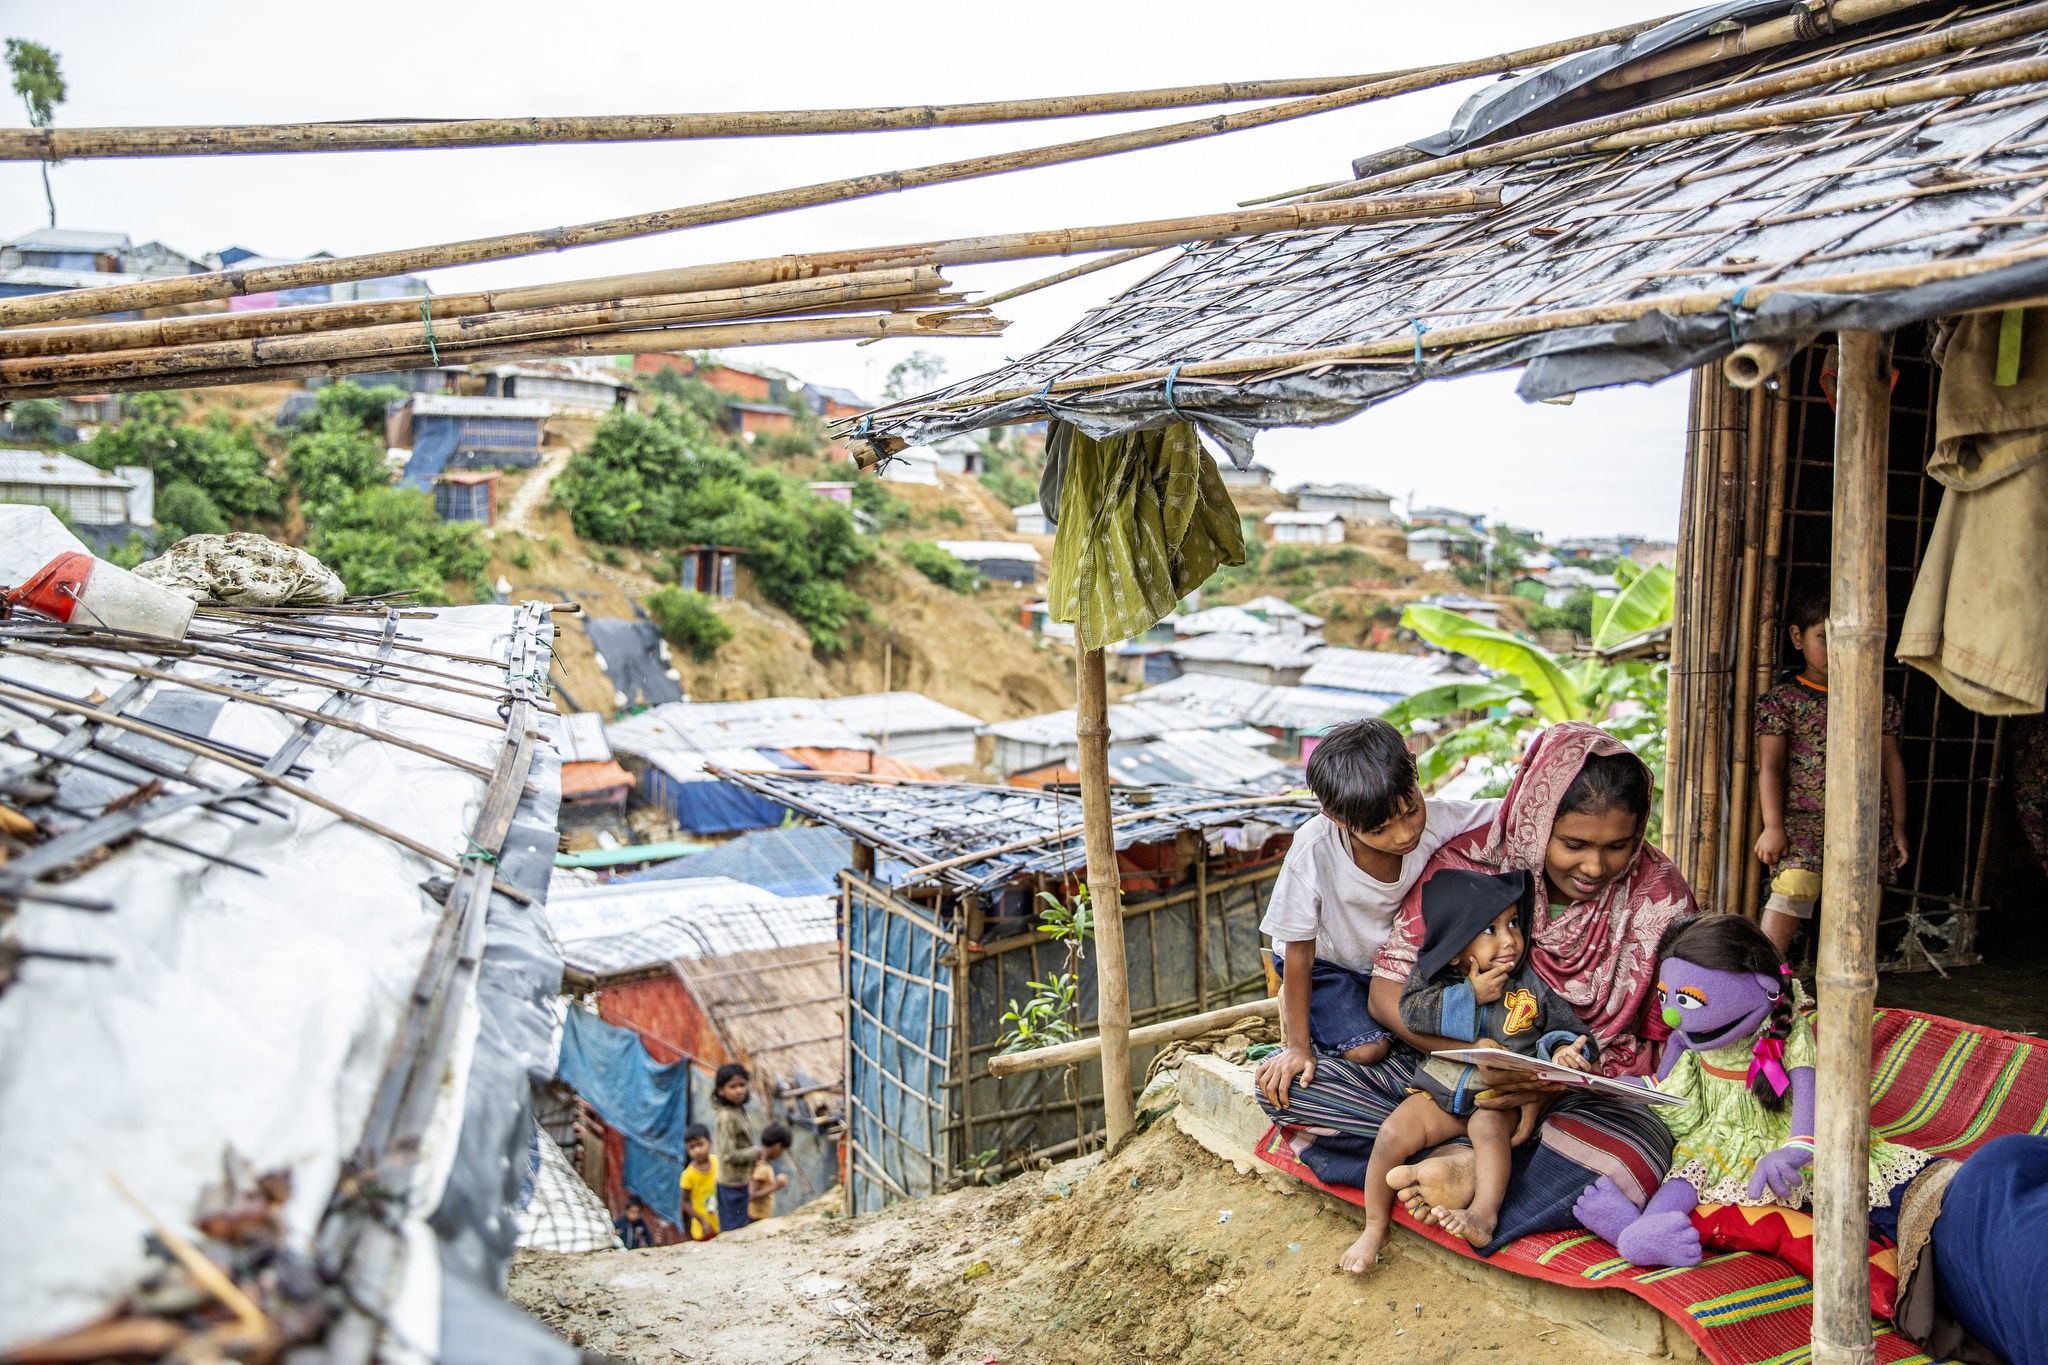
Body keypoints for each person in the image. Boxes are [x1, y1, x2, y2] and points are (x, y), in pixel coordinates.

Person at [1260, 723, 1696, 1254]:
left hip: (1582, 1091)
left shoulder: (1659, 897)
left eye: (1618, 846)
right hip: (1453, 1067)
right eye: (1573, 844)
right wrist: (1478, 1058)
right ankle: (1482, 1161)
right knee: (1302, 1092)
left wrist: (1547, 1084)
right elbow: (1387, 997)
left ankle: (1466, 1166)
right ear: (1536, 820)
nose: (1595, 866)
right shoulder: (1469, 862)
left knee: (1637, 1147)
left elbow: (1670, 1037)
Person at [1587, 915, 1928, 1268]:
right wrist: (1610, 1086)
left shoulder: (1790, 1036)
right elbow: (1664, 1086)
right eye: (1665, 997)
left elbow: (1809, 1109)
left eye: (1687, 1000)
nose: (1671, 1016)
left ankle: (1632, 1229)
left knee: (1862, 1191)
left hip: (1773, 1138)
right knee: (1683, 1178)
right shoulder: (1684, 1040)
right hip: (1715, 1136)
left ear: (1766, 986)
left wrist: (1794, 1153)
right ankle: (1641, 1231)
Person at [1340, 868, 1595, 1272]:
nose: (1509, 939)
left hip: (1496, 1100)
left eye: (1513, 923)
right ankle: (1375, 1226)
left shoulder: (1530, 986)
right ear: (1456, 947)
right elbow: (1412, 1013)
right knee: (1391, 1134)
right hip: (1440, 1093)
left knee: (1488, 1128)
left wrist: (1564, 1050)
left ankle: (1483, 1215)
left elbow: (1569, 1030)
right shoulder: (1436, 980)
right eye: (1489, 930)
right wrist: (1469, 995)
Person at [1254, 718, 1498, 1112]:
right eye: (1382, 829)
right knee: (1369, 1050)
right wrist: (1298, 1048)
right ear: (1335, 816)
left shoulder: (1442, 818)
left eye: (1410, 810)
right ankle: (1300, 1009)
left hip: (1394, 969)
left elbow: (1517, 813)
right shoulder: (1313, 849)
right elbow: (1299, 950)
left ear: (1415, 772)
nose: (1404, 835)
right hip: (1324, 965)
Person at [1753, 586, 1908, 955]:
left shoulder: (1877, 702)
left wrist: (1898, 828)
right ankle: (1762, 981)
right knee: (1793, 888)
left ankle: (1845, 999)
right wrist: (1773, 826)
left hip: (1866, 825)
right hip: (1802, 824)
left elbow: (1892, 765)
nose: (1837, 648)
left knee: (1859, 908)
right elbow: (1770, 767)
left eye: (1847, 639)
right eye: (1824, 637)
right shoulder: (1783, 702)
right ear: (1797, 637)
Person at [711, 1062, 758, 1234]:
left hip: (742, 1180)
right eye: (733, 1086)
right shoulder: (726, 1117)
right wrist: (755, 1152)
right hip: (731, 1184)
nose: (739, 1090)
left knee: (742, 1228)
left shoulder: (739, 1111)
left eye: (742, 1085)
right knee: (733, 1232)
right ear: (721, 1091)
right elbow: (727, 1155)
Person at [678, 1123, 719, 1242]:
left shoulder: (718, 1162)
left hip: (721, 1223)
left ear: (710, 1142)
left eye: (700, 1145)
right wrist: (702, 1221)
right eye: (692, 1147)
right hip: (703, 1229)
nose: (697, 1150)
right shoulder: (688, 1175)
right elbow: (684, 1202)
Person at [749, 1122, 793, 1223]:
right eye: (783, 1151)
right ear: (778, 1147)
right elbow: (751, 1195)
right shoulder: (763, 1169)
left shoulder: (764, 1165)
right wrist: (776, 1186)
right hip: (755, 1218)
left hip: (759, 1217)